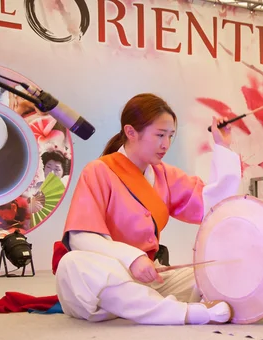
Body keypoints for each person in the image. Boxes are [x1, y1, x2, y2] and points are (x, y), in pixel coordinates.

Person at [53, 93, 242, 325]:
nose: (166, 144)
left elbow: (214, 206)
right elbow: (81, 238)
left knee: (208, 272)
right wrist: (132, 258)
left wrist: (222, 147)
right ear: (131, 132)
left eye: (170, 136)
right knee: (73, 263)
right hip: (104, 282)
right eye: (160, 135)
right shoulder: (98, 171)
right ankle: (186, 314)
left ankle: (156, 306)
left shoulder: (166, 175)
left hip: (146, 279)